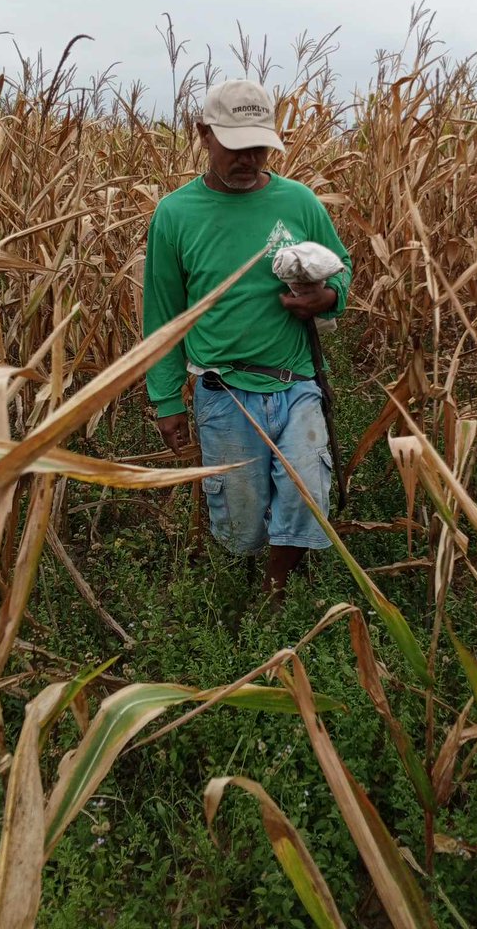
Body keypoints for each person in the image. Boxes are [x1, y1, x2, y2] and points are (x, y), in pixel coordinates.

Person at [142, 78, 352, 601]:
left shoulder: (298, 201)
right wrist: (167, 399)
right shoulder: (175, 214)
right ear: (203, 134)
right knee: (240, 520)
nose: (249, 158)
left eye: (259, 146)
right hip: (223, 390)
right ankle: (243, 585)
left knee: (305, 492)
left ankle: (277, 594)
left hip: (297, 382)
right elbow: (163, 316)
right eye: (235, 146)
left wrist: (327, 298)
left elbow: (341, 268)